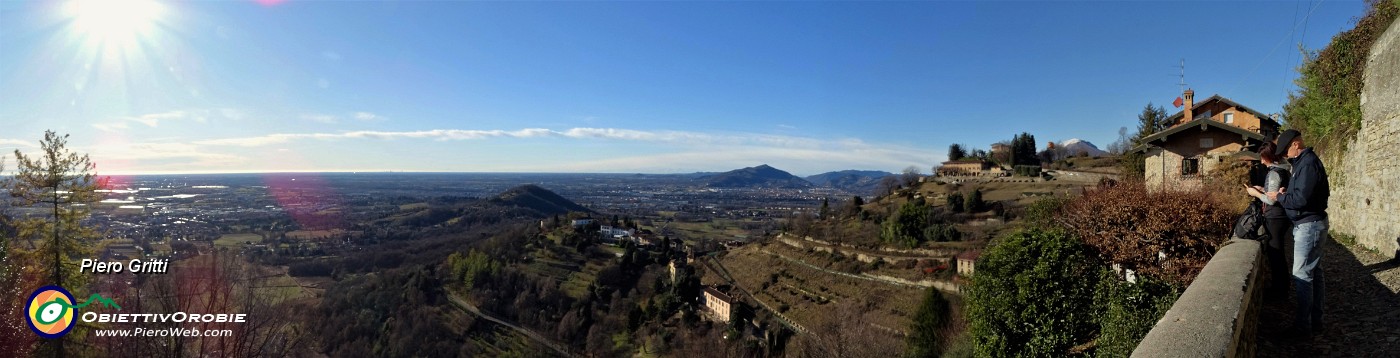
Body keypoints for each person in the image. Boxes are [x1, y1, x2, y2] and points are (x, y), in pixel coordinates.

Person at [1266, 129, 1330, 338]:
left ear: (1295, 144)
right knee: (1314, 272)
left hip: (1309, 225)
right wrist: (1287, 194)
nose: (1284, 156)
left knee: (1302, 275)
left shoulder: (1308, 164)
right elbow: (1303, 195)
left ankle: (1303, 327)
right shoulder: (1304, 163)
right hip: (1311, 223)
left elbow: (1301, 200)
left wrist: (1280, 197)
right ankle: (1316, 320)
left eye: (1285, 151)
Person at [1245, 142, 1291, 300]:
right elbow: (1275, 193)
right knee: (1277, 253)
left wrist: (1254, 193)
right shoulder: (1285, 170)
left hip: (1275, 217)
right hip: (1282, 217)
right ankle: (1282, 288)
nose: (1262, 162)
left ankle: (1280, 291)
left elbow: (1271, 201)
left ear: (1269, 157)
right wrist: (1263, 189)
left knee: (1276, 254)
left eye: (1263, 158)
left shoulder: (1274, 173)